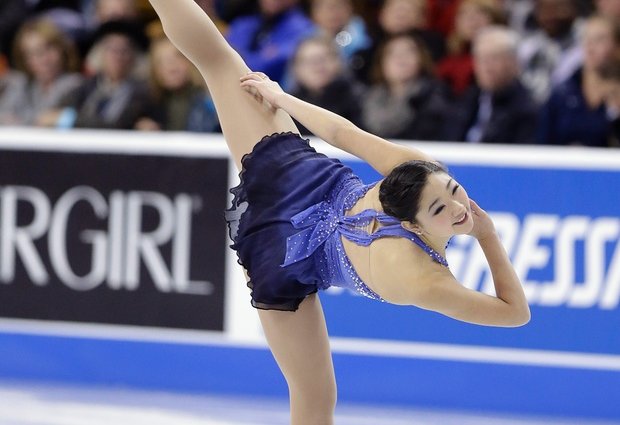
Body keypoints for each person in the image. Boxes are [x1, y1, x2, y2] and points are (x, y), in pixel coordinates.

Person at [148, 1, 530, 423]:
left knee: (314, 400)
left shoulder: (422, 202)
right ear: (408, 223)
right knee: (225, 64)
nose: (460, 208)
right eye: (441, 206)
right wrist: (488, 236)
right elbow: (516, 313)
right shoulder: (424, 275)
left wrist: (281, 98)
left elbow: (345, 134)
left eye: (454, 191)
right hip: (295, 197)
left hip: (286, 237)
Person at [443, 26, 539, 143]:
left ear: (513, 62)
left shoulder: (526, 109)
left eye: (494, 58)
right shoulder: (467, 99)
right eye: (481, 58)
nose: (486, 66)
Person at [538, 14, 620, 147]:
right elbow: (543, 143)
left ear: (617, 47)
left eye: (600, 40)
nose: (590, 47)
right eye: (587, 39)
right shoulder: (563, 92)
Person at [361, 32, 449, 141]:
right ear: (381, 63)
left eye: (409, 52)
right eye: (393, 53)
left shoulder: (435, 97)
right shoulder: (367, 99)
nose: (401, 58)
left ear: (421, 59)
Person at [0, 19, 83, 127]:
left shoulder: (77, 85)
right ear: (25, 60)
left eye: (48, 49)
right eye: (34, 54)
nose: (44, 59)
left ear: (62, 49)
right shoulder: (19, 84)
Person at [224, 0, 315, 84]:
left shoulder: (303, 29)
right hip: (236, 87)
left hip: (278, 94)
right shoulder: (241, 24)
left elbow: (270, 65)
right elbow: (226, 61)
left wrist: (242, 60)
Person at [289, 34, 363, 135]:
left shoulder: (358, 98)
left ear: (337, 62)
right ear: (296, 68)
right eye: (309, 61)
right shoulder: (288, 104)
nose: (317, 66)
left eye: (322, 59)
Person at [436, 0, 506, 98]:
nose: (472, 19)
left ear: (495, 20)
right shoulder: (448, 60)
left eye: (480, 13)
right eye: (465, 14)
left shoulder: (503, 58)